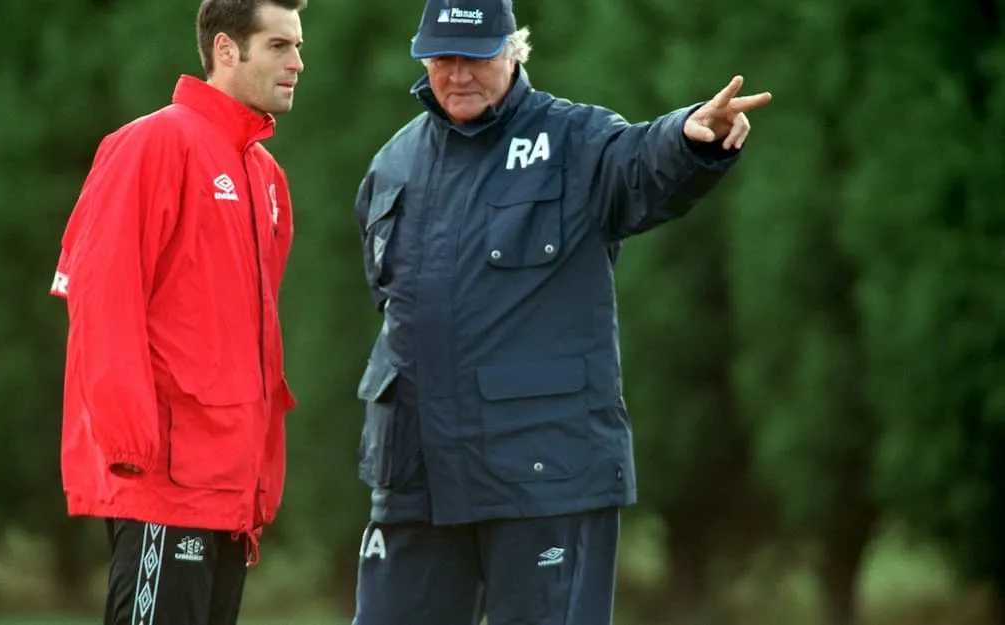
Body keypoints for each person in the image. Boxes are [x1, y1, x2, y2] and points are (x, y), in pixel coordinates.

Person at [350, 0, 771, 623]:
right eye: (442, 57)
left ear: (514, 51)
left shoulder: (573, 140)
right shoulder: (395, 163)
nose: (457, 73)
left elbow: (640, 162)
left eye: (476, 56)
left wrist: (690, 138)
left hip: (543, 478)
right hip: (417, 481)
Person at [47, 0, 305, 623]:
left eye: (298, 47)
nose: (297, 63)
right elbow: (100, 298)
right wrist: (133, 448)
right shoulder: (151, 143)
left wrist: (259, 474)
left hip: (230, 490)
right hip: (163, 485)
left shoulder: (266, 176)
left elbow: (254, 342)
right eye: (278, 46)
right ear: (225, 49)